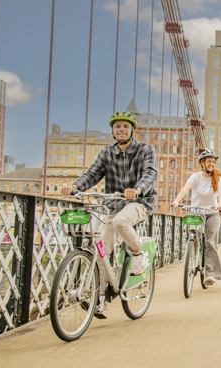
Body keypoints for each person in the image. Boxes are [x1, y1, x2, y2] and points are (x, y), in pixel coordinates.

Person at [62, 111, 158, 319]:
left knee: (123, 221)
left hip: (139, 201)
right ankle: (100, 302)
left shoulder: (145, 149)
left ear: (132, 130)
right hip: (112, 204)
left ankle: (138, 254)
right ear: (113, 132)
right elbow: (93, 173)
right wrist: (75, 185)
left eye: (125, 126)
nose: (121, 129)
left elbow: (150, 173)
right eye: (117, 127)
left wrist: (139, 189)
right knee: (101, 251)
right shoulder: (106, 152)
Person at [173, 149, 221, 285]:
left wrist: (220, 203)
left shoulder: (217, 178)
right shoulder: (195, 177)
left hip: (212, 213)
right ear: (202, 163)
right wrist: (177, 200)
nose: (211, 164)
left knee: (210, 241)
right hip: (196, 212)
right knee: (192, 235)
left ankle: (211, 273)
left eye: (213, 162)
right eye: (209, 161)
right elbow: (186, 189)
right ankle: (193, 249)